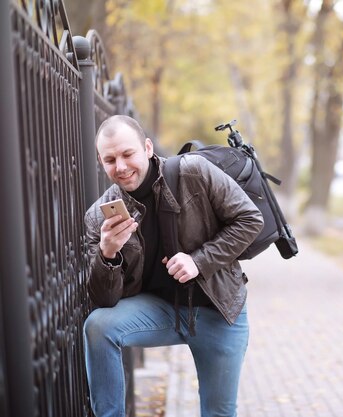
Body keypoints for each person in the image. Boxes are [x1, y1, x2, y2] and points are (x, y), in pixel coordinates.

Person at [83, 115, 264, 417]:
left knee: (219, 411)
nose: (122, 167)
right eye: (110, 159)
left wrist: (199, 261)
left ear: (148, 148)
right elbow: (104, 301)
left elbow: (250, 219)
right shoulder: (98, 218)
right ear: (101, 162)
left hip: (218, 310)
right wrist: (108, 254)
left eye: (128, 154)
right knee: (98, 326)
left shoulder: (194, 171)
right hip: (162, 311)